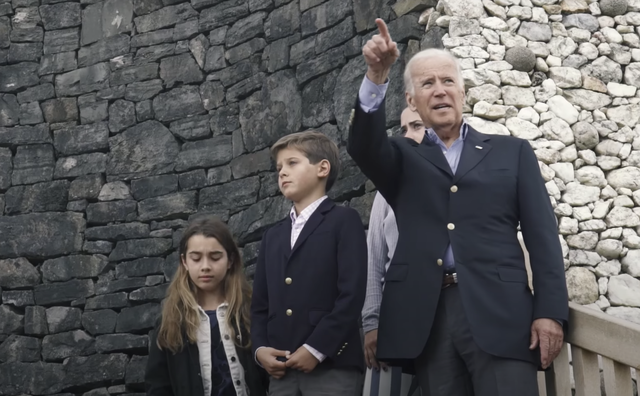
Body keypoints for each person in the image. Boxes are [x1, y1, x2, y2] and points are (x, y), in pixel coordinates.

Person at [347, 19, 569, 396]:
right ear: (412, 100)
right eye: (427, 84)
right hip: (429, 317)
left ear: (463, 91)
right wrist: (377, 74)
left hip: (502, 312)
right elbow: (363, 147)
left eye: (448, 81)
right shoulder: (401, 157)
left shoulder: (512, 153)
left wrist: (550, 312)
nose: (440, 91)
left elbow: (543, 237)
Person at [251, 131, 367, 396]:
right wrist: (260, 350)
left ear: (322, 168)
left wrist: (316, 348)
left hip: (332, 368)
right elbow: (259, 306)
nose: (282, 172)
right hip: (281, 372)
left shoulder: (343, 221)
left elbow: (351, 295)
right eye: (279, 167)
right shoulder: (272, 236)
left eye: (292, 163)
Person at [145, 216, 268, 396]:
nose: (205, 266)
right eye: (196, 258)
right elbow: (157, 386)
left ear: (230, 260)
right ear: (184, 262)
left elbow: (272, 377)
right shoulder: (170, 322)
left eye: (215, 257)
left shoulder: (251, 312)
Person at [362, 107, 425, 372]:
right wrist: (372, 323)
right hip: (398, 319)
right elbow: (374, 260)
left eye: (417, 126)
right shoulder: (386, 192)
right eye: (403, 129)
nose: (408, 136)